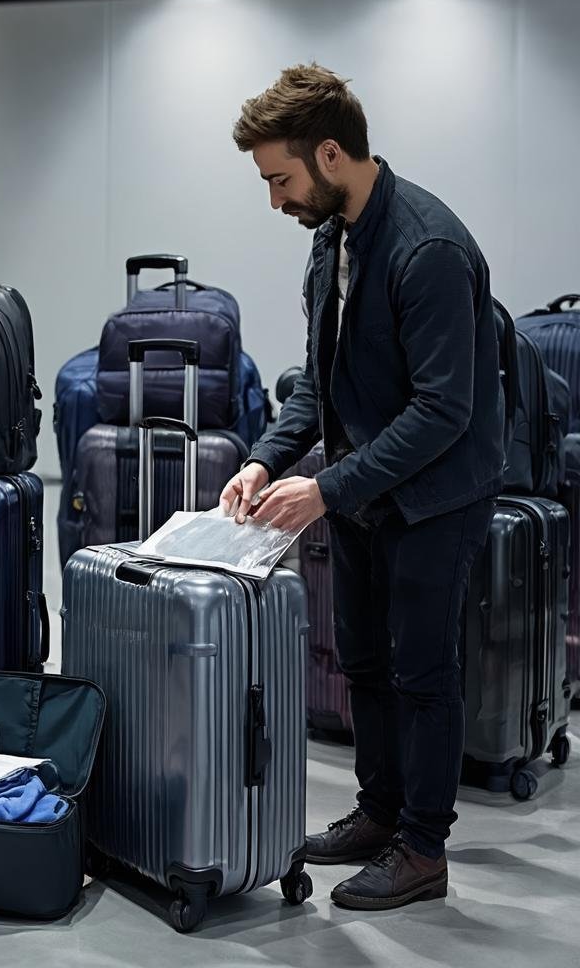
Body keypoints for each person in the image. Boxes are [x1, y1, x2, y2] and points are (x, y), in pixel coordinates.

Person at [220, 64, 504, 911]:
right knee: (366, 659)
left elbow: (443, 412)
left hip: (435, 494)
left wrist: (326, 489)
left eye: (280, 178)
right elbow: (320, 379)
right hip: (360, 489)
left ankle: (423, 846)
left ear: (332, 154)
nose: (274, 199)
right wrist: (268, 458)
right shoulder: (332, 233)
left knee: (422, 668)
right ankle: (379, 814)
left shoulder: (429, 249)